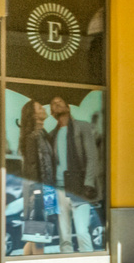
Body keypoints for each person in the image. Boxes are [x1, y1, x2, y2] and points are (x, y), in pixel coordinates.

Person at [48, 94, 103, 253]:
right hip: (59, 188)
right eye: (53, 104)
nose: (57, 105)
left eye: (60, 102)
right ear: (52, 112)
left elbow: (92, 157)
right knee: (64, 234)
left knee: (81, 231)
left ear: (68, 107)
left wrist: (89, 183)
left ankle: (88, 261)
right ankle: (66, 261)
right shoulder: (52, 134)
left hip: (79, 186)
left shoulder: (82, 127)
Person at [14, 98, 53, 253]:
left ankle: (27, 262)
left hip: (45, 188)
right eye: (39, 107)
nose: (43, 109)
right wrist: (36, 192)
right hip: (38, 189)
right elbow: (31, 167)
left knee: (36, 232)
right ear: (33, 115)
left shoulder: (42, 134)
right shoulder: (33, 137)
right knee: (39, 232)